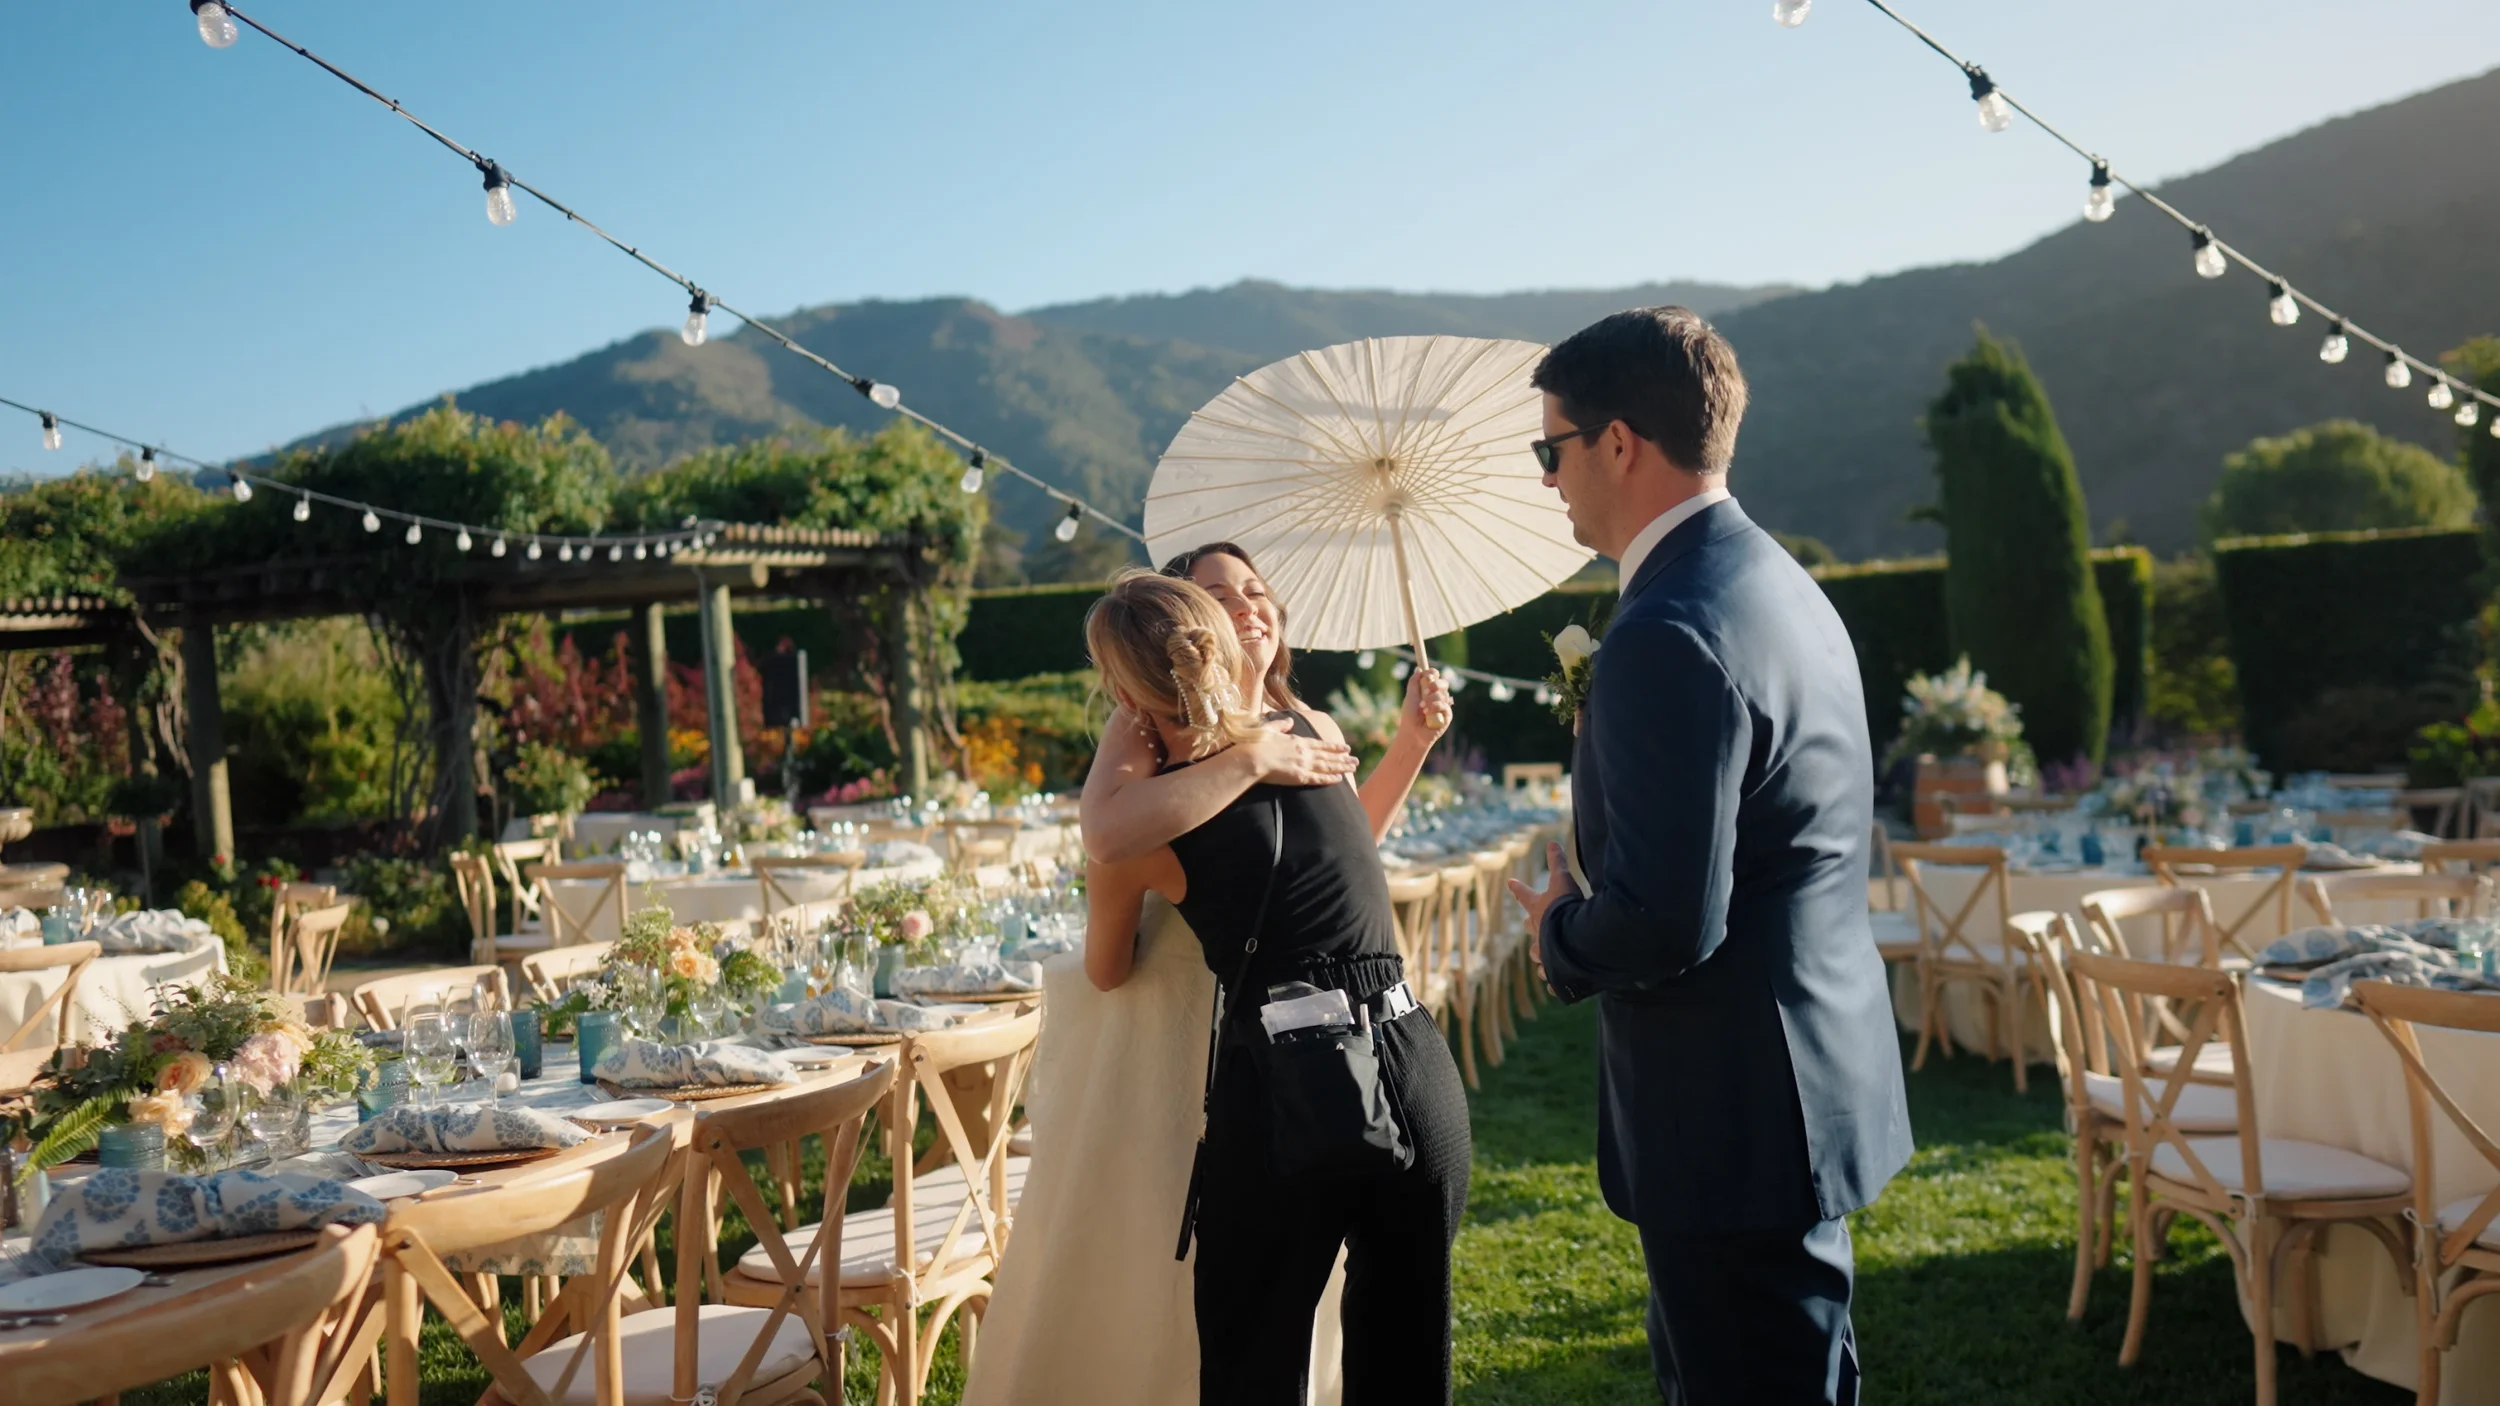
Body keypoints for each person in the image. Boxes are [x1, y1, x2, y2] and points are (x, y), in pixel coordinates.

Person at [1506, 307, 1912, 1404]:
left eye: (1551, 447)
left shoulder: (1665, 627)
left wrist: (1557, 930)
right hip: (1796, 1082)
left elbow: (1664, 919)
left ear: (1619, 442)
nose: (1547, 479)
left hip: (1727, 1113)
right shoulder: (1779, 583)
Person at [1081, 570, 1471, 1406]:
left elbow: (1106, 969)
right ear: (1223, 645)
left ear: (1121, 691)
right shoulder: (1314, 743)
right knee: (1406, 1361)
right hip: (1415, 1060)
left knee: (1250, 1356)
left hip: (1288, 1084)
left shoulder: (1141, 832)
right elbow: (1343, 863)